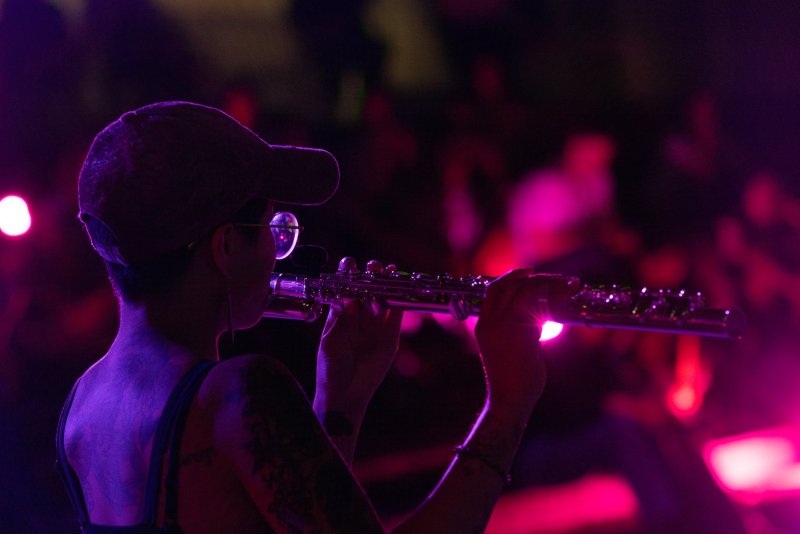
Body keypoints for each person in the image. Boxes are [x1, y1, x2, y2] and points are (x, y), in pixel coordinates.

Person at [56, 101, 567, 533]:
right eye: (275, 229)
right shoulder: (239, 390)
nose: (278, 252)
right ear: (227, 245)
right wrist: (507, 406)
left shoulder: (81, 405)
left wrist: (339, 404)